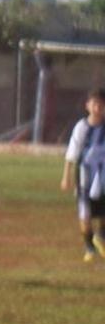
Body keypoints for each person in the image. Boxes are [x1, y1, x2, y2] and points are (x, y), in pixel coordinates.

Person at [60, 87, 105, 264]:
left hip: (103, 176)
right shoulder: (82, 127)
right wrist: (66, 176)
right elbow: (72, 152)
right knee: (85, 214)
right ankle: (89, 247)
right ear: (88, 106)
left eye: (101, 105)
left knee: (103, 212)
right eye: (95, 104)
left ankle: (100, 237)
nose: (98, 108)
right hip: (85, 175)